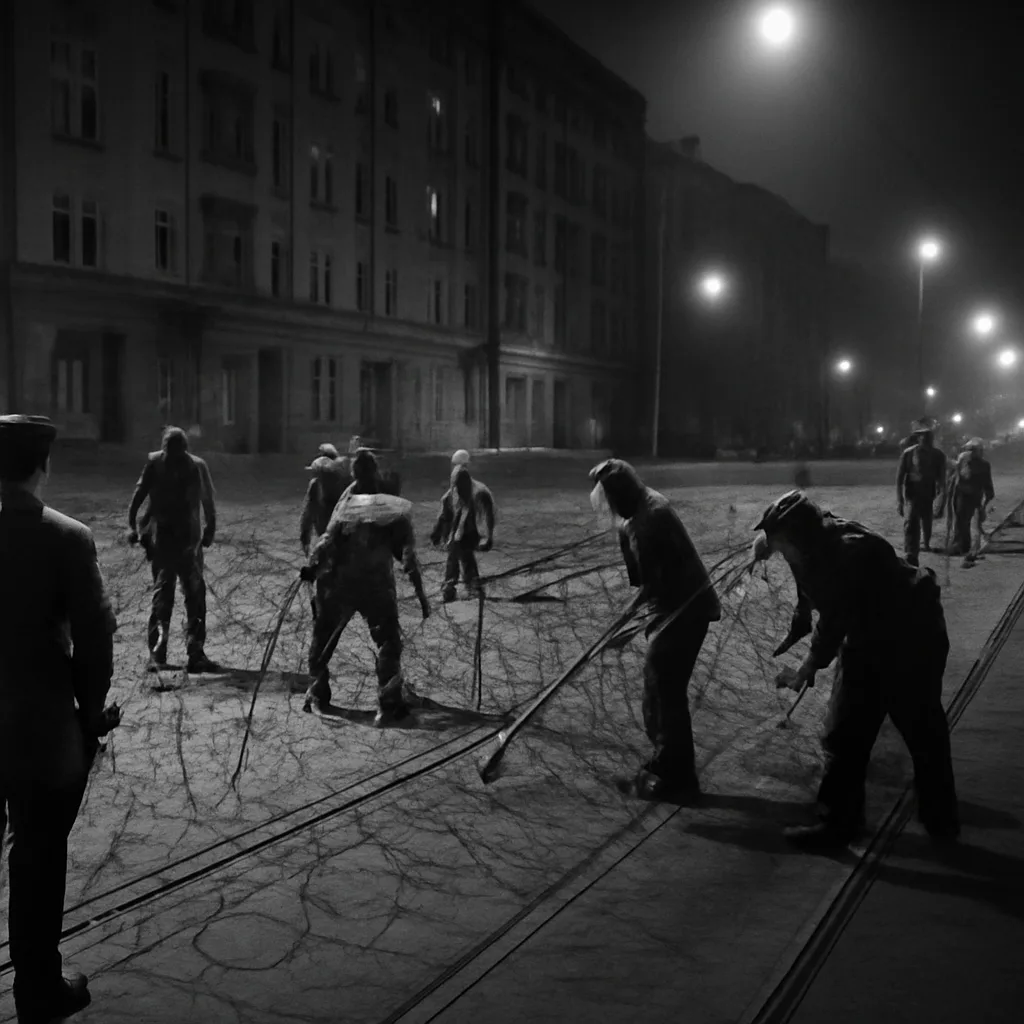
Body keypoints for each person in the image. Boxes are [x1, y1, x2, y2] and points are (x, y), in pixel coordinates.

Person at [751, 489, 959, 850]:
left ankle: (940, 820)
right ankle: (838, 825)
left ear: (799, 535)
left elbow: (833, 621)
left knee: (922, 728)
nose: (780, 551)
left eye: (782, 543)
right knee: (843, 734)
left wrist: (806, 667)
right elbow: (814, 592)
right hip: (867, 634)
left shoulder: (848, 552)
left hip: (912, 635)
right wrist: (768, 546)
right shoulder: (815, 544)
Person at [0, 415, 121, 1023]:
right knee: (38, 854)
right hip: (39, 728)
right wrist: (93, 711)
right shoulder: (67, 537)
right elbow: (95, 635)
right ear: (43, 465)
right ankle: (38, 987)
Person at [588, 459, 721, 801]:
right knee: (660, 684)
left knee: (665, 687)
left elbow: (652, 584)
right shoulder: (643, 509)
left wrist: (625, 626)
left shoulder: (648, 520)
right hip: (674, 606)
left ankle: (677, 775)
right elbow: (646, 581)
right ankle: (669, 764)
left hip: (685, 608)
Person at [300, 448, 430, 724]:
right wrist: (420, 593)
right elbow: (406, 551)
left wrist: (313, 565)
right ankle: (389, 702)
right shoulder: (387, 504)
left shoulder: (348, 501)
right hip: (375, 585)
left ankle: (318, 693)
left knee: (324, 640)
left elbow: (328, 538)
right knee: (387, 642)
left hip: (342, 584)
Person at [127, 426, 220, 673]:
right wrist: (133, 525)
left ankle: (195, 652)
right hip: (163, 542)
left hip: (189, 541)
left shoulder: (196, 466)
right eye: (170, 452)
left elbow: (207, 499)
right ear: (164, 448)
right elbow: (139, 495)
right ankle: (158, 653)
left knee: (194, 596)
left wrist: (210, 527)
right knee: (163, 596)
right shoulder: (155, 463)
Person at [430, 462, 495, 603]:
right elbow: (445, 513)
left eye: (459, 487)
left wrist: (487, 537)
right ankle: (470, 584)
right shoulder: (453, 493)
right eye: (455, 487)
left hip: (474, 529)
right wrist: (437, 531)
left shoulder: (480, 494)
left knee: (459, 549)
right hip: (460, 528)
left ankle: (453, 585)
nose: (457, 491)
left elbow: (487, 517)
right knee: (459, 549)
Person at [896, 420, 947, 566]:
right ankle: (910, 550)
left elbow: (942, 479)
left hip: (929, 492)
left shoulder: (938, 455)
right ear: (918, 437)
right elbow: (899, 478)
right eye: (922, 435)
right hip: (912, 493)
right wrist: (899, 500)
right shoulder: (908, 454)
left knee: (927, 519)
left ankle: (926, 543)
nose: (925, 438)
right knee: (911, 522)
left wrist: (942, 501)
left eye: (928, 435)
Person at [299, 443, 350, 556]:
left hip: (327, 528)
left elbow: (308, 512)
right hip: (342, 529)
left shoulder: (317, 483)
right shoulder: (346, 478)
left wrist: (305, 538)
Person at [950, 438, 995, 567]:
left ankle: (964, 546)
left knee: (965, 521)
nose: (970, 452)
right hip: (961, 493)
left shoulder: (983, 465)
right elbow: (957, 475)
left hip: (973, 496)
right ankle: (962, 544)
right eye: (969, 450)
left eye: (973, 450)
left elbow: (987, 484)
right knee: (960, 519)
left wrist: (985, 502)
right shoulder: (963, 460)